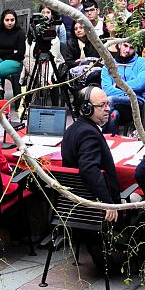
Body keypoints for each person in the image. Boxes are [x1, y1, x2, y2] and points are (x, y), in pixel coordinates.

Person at [61, 86, 122, 221]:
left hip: (76, 204)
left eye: (108, 104)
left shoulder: (72, 129)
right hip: (96, 208)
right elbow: (88, 169)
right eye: (102, 105)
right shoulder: (88, 133)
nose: (108, 109)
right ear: (86, 109)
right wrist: (108, 203)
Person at [100, 38, 145, 135]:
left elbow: (140, 84)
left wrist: (118, 86)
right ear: (119, 45)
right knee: (114, 115)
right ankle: (108, 143)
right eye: (125, 46)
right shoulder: (108, 65)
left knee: (110, 100)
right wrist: (125, 91)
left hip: (135, 102)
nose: (127, 50)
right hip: (115, 106)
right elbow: (106, 89)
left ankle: (97, 131)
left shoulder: (143, 62)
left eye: (131, 48)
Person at [0, 9, 26, 101]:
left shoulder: (20, 33)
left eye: (12, 20)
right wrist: (12, 51)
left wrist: (4, 54)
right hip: (1, 60)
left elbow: (20, 54)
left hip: (15, 63)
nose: (10, 22)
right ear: (2, 20)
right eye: (7, 20)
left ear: (15, 20)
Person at [64, 21, 102, 88]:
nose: (78, 30)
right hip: (77, 72)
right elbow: (69, 61)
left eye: (81, 28)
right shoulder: (71, 43)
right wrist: (80, 63)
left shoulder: (94, 41)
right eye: (75, 29)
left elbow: (96, 58)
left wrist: (85, 61)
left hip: (93, 70)